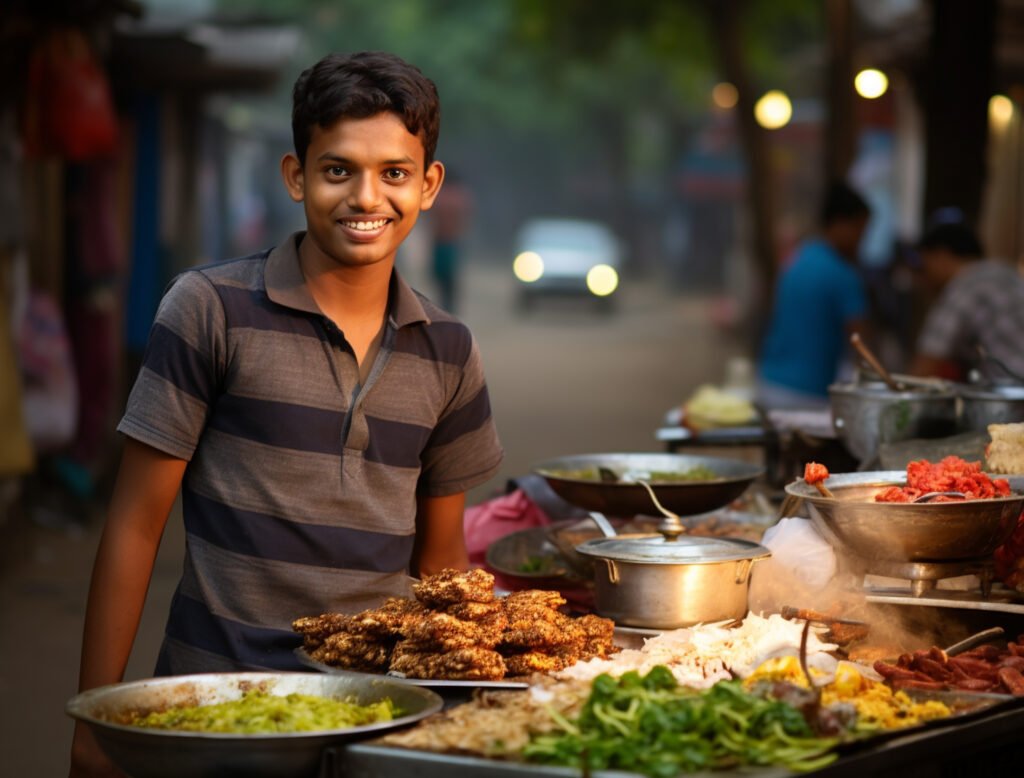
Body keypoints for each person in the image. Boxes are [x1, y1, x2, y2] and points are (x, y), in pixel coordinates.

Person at [70, 51, 504, 777]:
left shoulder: (450, 352)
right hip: (209, 708)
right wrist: (94, 720)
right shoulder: (209, 311)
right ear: (296, 176)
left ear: (428, 185)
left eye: (394, 172)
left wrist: (459, 719)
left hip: (376, 720)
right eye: (339, 170)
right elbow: (135, 525)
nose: (367, 197)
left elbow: (441, 563)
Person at [756, 181, 871, 409]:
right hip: (809, 397)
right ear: (840, 223)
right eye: (859, 229)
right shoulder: (843, 274)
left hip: (768, 384)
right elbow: (864, 349)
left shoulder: (798, 258)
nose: (862, 239)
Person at [909, 220, 1024, 382]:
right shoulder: (1004, 272)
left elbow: (927, 362)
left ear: (941, 255)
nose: (923, 277)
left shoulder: (966, 284)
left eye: (924, 264)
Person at [429, 169, 473, 312]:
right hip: (452, 241)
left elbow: (432, 220)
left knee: (443, 277)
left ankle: (446, 305)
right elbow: (466, 219)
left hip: (443, 241)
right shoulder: (461, 197)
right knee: (450, 277)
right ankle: (449, 306)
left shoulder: (440, 197)